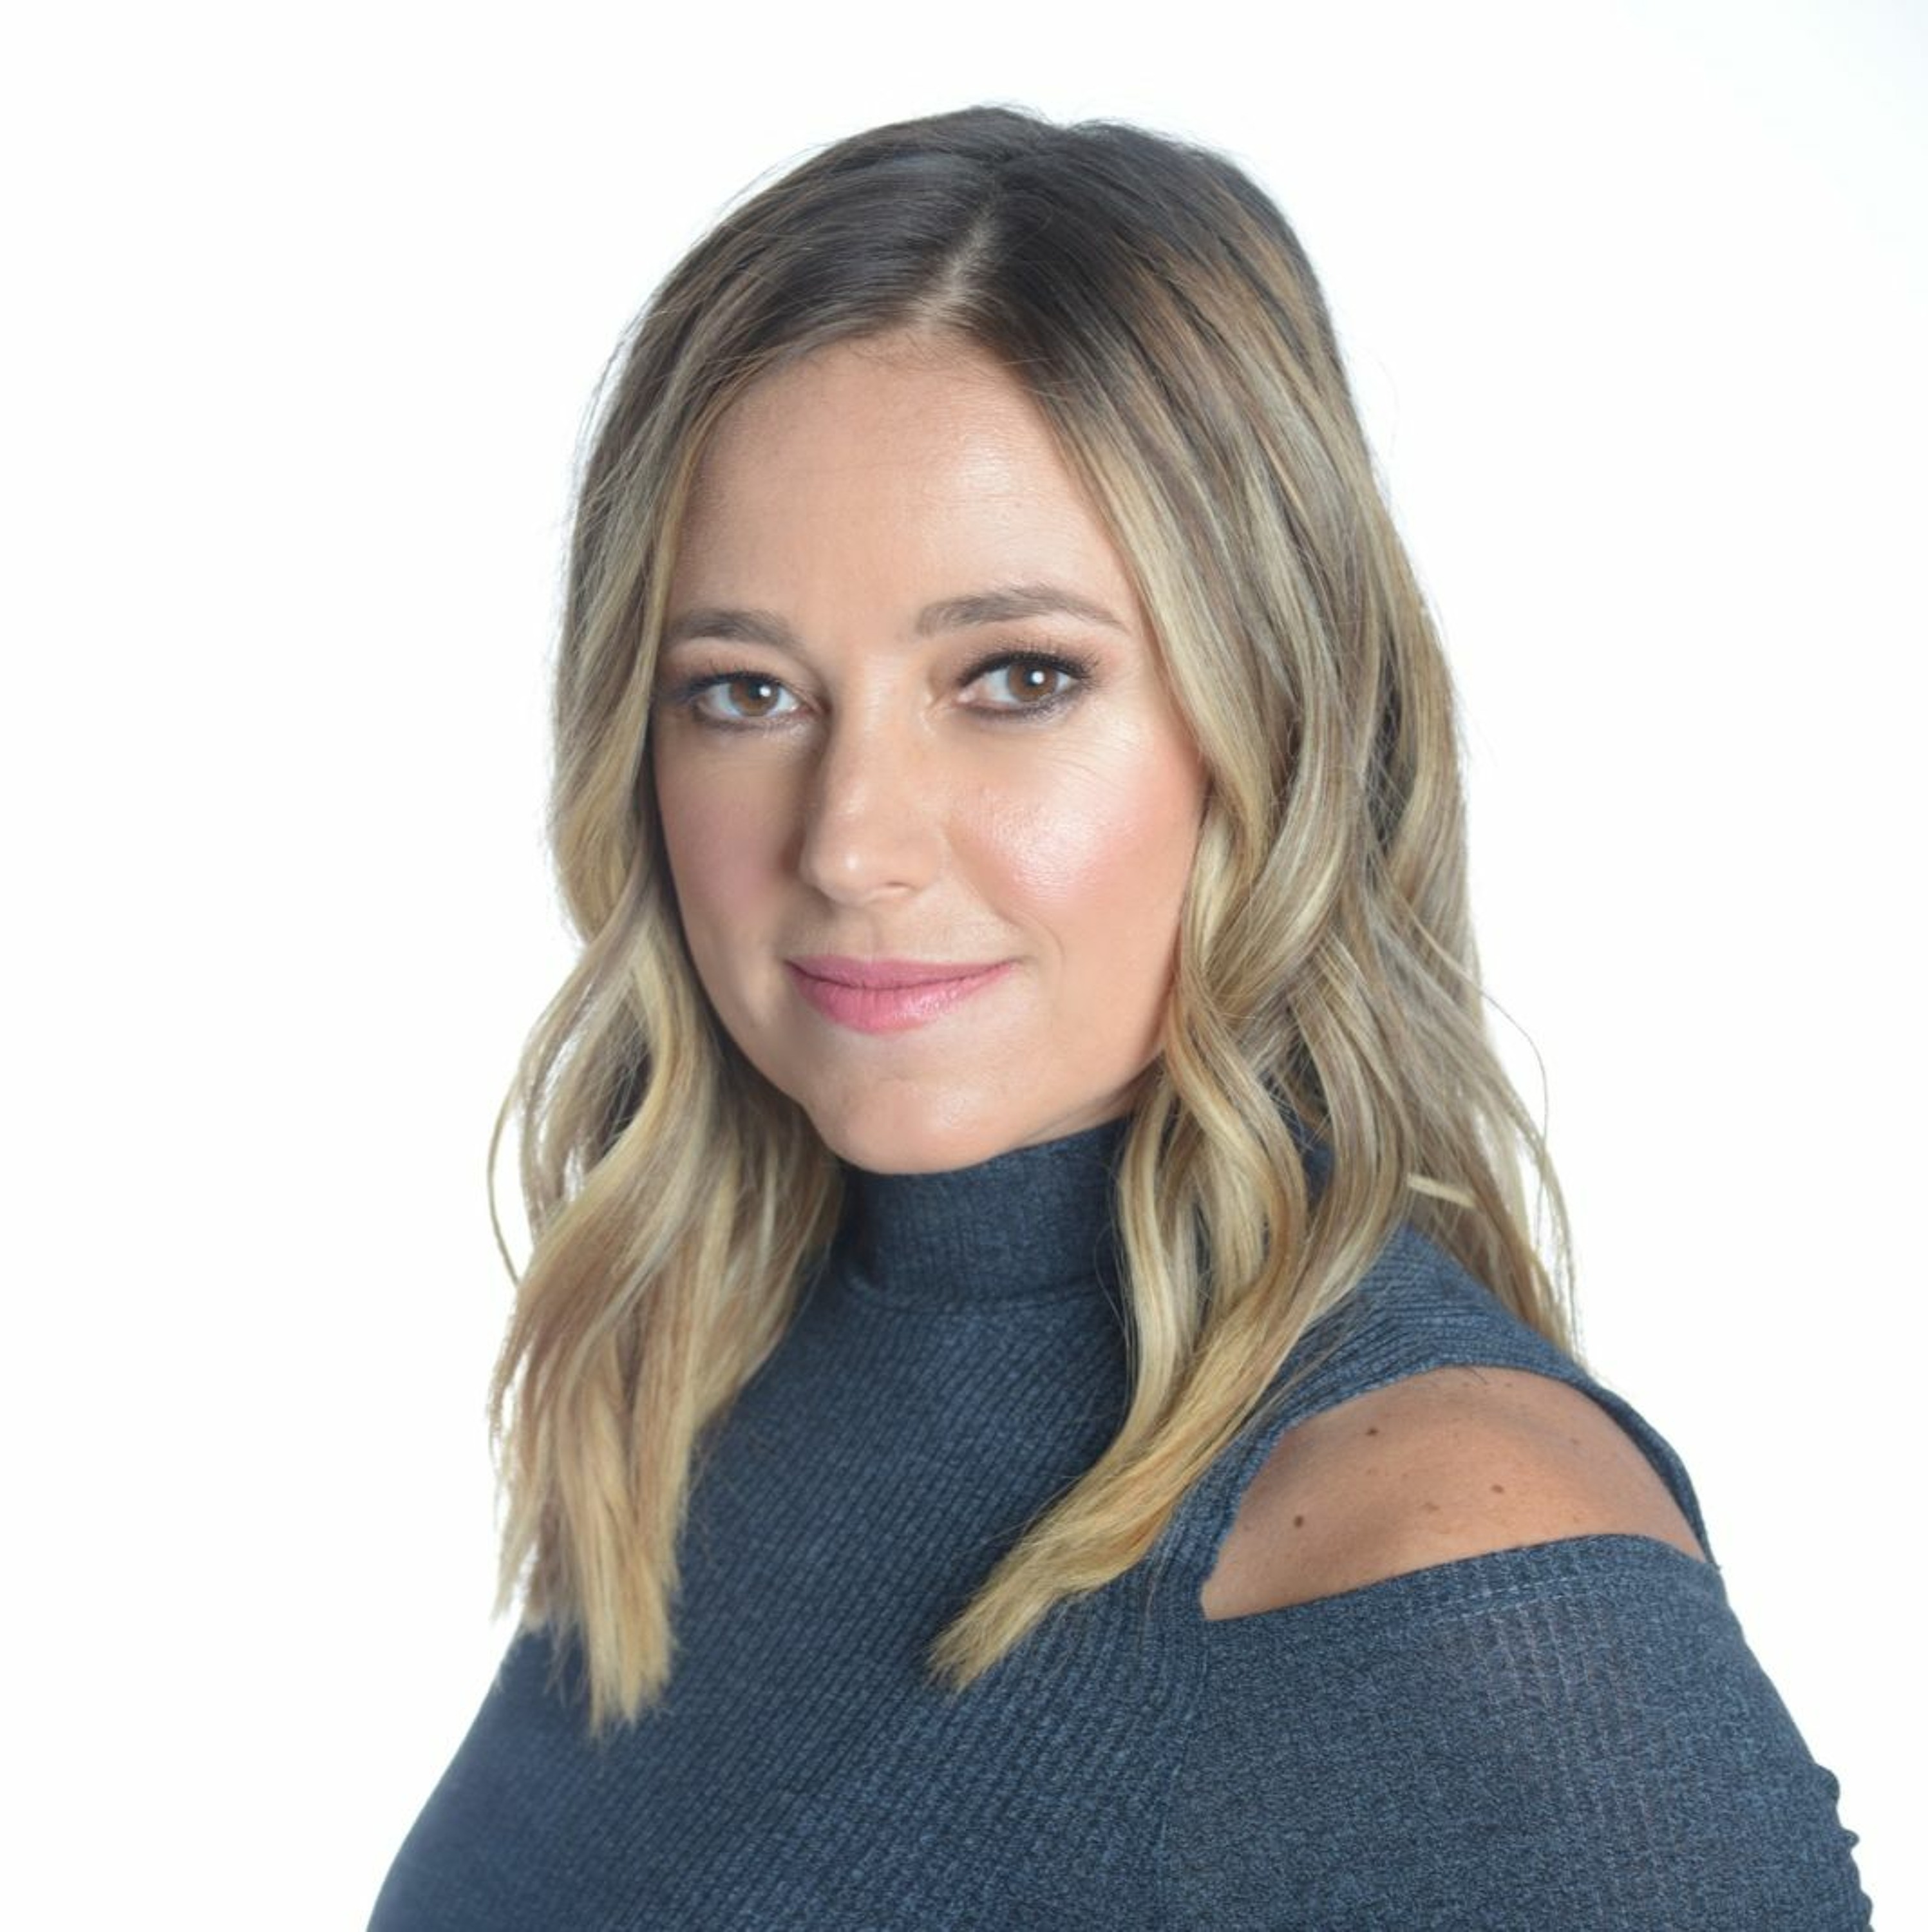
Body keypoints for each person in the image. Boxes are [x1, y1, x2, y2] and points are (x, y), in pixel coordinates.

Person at [368, 106, 1871, 1929]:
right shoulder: (708, 1382)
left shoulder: (1452, 1547)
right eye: (746, 691)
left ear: (1275, 719)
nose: (849, 844)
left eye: (1018, 677)